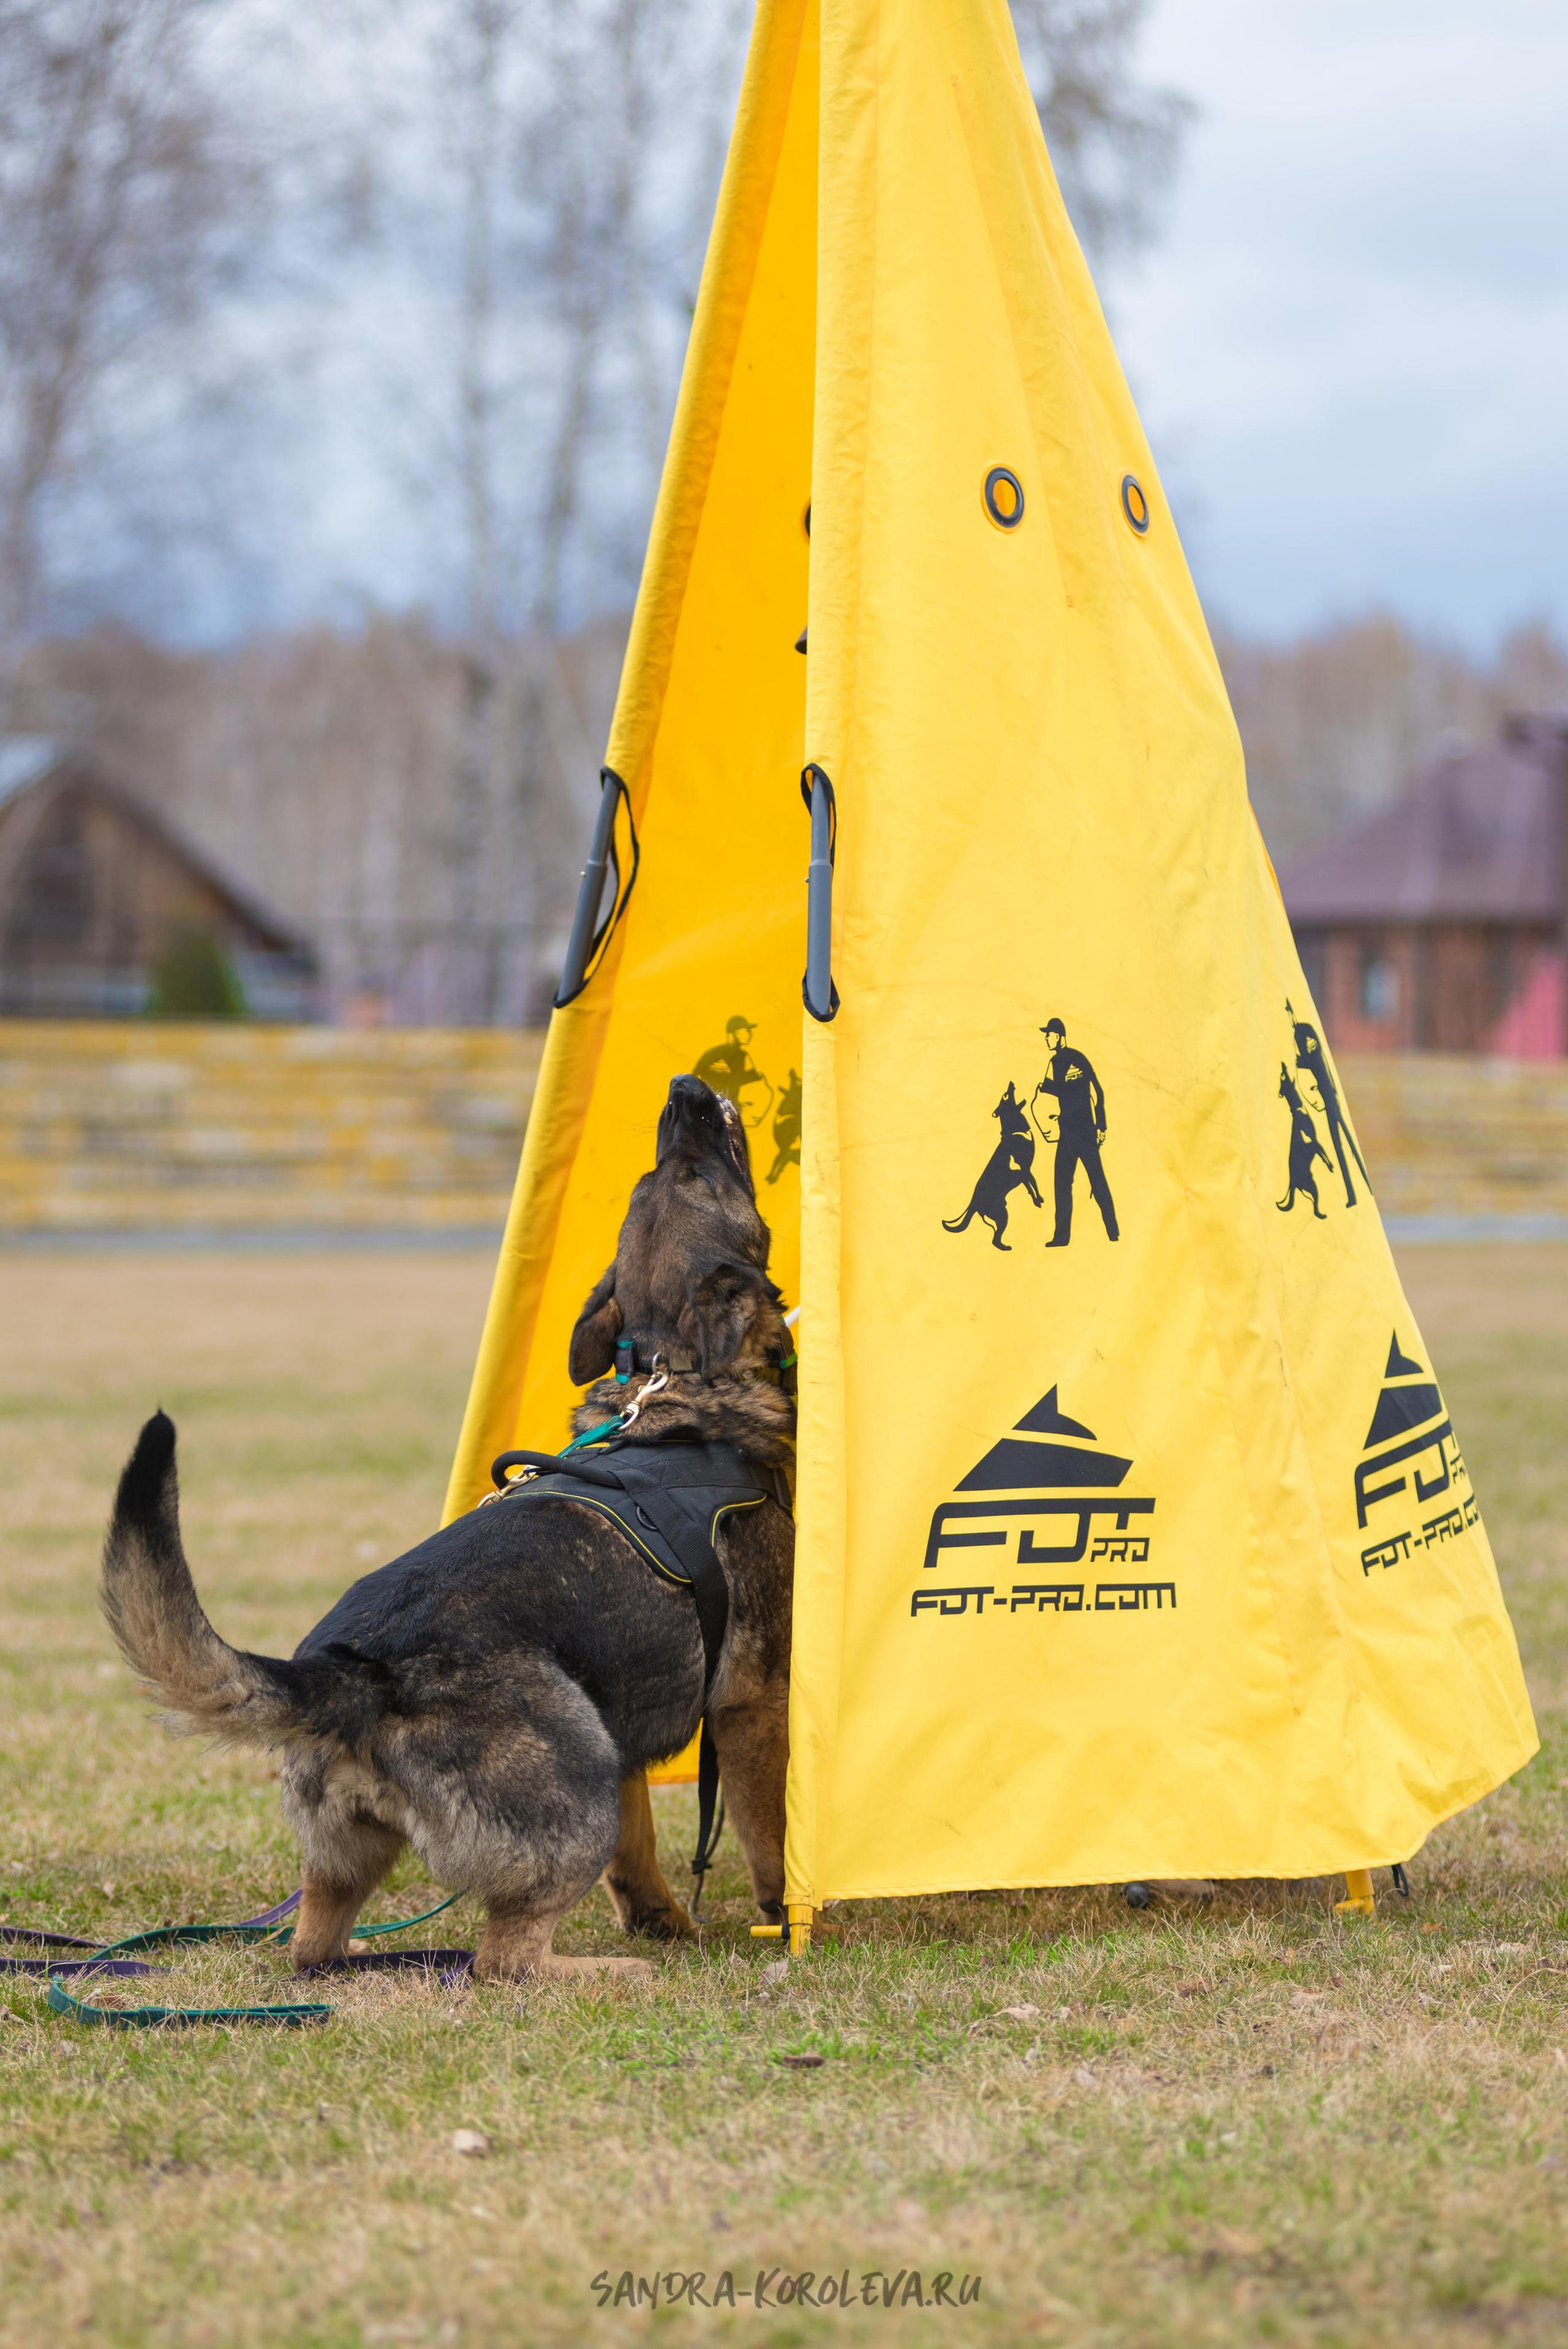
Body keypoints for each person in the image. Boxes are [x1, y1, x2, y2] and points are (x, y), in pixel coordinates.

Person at [1033, 1018, 1118, 1246]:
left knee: (1096, 1183)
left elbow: (1096, 1091)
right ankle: (1063, 1237)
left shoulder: (1075, 1059)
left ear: (1060, 1036)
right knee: (1063, 1183)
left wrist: (1101, 1126)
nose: (1046, 1038)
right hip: (1070, 1134)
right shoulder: (1056, 1062)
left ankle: (1113, 1232)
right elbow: (1048, 1097)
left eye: (1049, 1034)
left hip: (1084, 1133)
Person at [1287, 1001, 1369, 1209]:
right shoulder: (1312, 1045)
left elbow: (1305, 1060)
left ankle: (1356, 1191)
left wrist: (1293, 1032)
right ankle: (1353, 1192)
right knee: (1344, 1147)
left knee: (1344, 1148)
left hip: (1331, 1103)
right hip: (1330, 1101)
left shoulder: (1310, 1048)